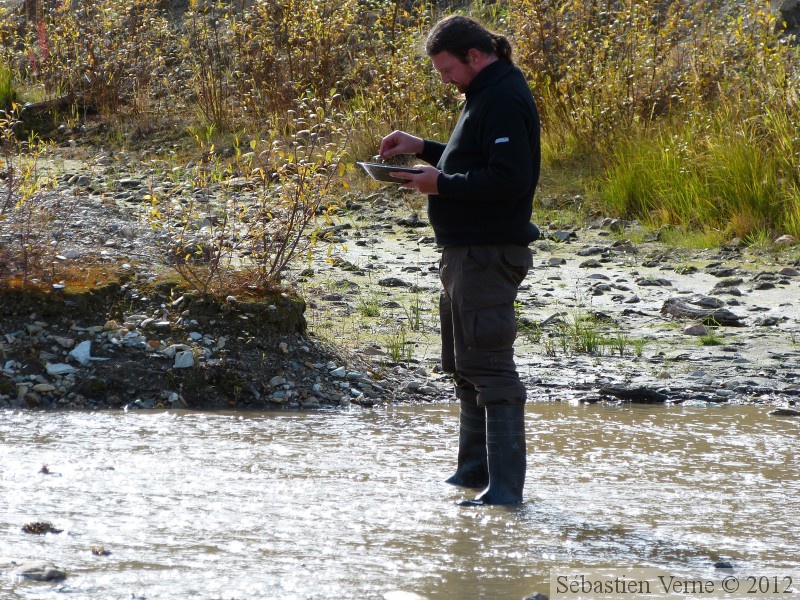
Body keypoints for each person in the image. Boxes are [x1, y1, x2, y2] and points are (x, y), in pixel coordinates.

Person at [379, 15, 541, 505]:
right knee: (465, 366)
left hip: (488, 255)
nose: (445, 80)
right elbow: (474, 158)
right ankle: (472, 473)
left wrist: (440, 183)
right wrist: (422, 148)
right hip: (464, 254)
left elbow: (511, 179)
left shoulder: (505, 96)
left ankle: (506, 492)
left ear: (475, 55)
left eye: (447, 69)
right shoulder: (485, 92)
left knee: (490, 369)